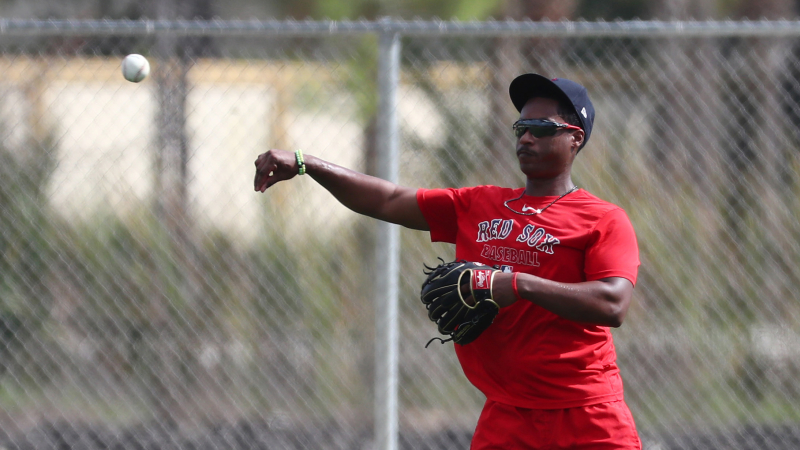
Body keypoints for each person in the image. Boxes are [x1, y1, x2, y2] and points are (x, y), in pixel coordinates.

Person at [254, 73, 641, 449]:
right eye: (521, 127)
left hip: (587, 415)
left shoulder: (603, 219)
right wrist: (308, 164)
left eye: (541, 128)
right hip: (507, 416)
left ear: (575, 138)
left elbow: (613, 303)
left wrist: (516, 284)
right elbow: (387, 200)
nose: (526, 137)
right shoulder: (479, 204)